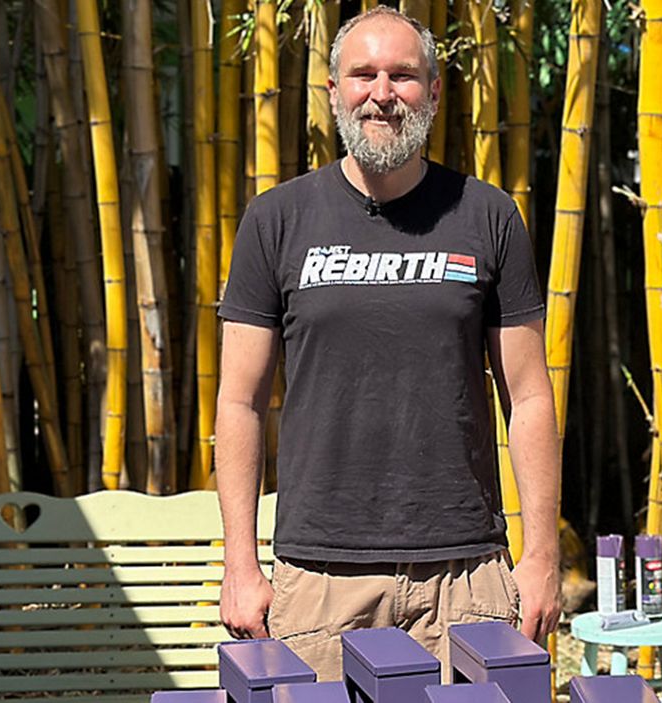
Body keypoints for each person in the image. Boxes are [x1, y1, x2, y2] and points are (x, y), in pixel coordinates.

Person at [215, 6, 561, 681]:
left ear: (433, 91)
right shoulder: (276, 220)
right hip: (320, 578)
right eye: (363, 74)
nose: (382, 93)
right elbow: (238, 401)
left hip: (466, 576)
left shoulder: (488, 215)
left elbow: (528, 397)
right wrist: (240, 563)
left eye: (402, 75)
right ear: (333, 91)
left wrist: (542, 555)